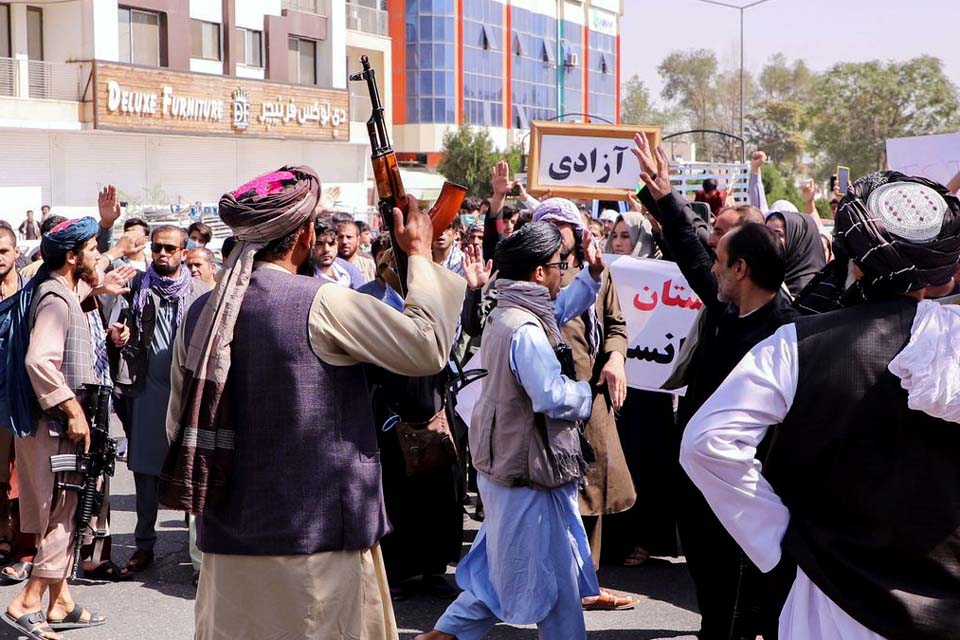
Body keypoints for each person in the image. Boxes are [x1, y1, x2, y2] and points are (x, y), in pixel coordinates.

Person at [161, 166, 464, 640]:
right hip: (318, 551)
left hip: (227, 546)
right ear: (304, 236)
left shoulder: (202, 311)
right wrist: (420, 254)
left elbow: (178, 425)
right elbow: (425, 347)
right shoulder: (324, 301)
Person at [681, 172, 960, 640]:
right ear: (940, 271)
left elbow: (706, 443)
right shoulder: (951, 341)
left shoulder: (797, 345)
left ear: (856, 264)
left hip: (831, 603)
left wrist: (779, 540)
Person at [633, 133, 799, 639]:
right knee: (712, 601)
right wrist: (665, 197)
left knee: (741, 611)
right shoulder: (728, 307)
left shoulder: (789, 334)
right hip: (697, 489)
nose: (712, 269)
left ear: (741, 270)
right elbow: (689, 255)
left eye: (721, 261)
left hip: (746, 495)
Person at [415, 222, 601, 640]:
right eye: (560, 266)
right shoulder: (526, 329)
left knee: (505, 568)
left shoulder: (509, 310)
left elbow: (562, 306)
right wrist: (586, 393)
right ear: (539, 273)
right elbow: (550, 395)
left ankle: (445, 633)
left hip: (511, 463)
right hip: (525, 468)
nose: (563, 273)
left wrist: (591, 276)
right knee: (552, 577)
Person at [5, 218, 131, 639]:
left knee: (67, 511)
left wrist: (98, 287)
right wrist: (73, 410)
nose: (98, 255)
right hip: (58, 428)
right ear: (73, 256)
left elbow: (79, 293)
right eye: (93, 249)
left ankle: (59, 602)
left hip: (54, 427)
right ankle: (26, 602)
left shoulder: (57, 290)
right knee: (65, 513)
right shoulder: (56, 300)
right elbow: (39, 360)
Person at [532, 198, 636, 611]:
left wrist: (615, 358)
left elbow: (617, 326)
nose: (559, 230)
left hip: (590, 396)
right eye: (550, 223)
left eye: (564, 223)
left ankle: (585, 582)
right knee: (546, 489)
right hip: (547, 398)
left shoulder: (599, 272)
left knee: (590, 487)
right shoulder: (535, 274)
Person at [113, 225, 207, 575]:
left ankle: (197, 552)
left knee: (192, 470)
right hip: (147, 390)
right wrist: (120, 335)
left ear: (184, 253)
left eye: (169, 248)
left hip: (189, 392)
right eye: (156, 248)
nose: (162, 254)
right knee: (145, 471)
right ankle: (144, 545)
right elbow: (116, 320)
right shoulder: (137, 286)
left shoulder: (201, 293)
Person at [766, 210, 827, 296]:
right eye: (767, 233)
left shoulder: (809, 289)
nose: (769, 240)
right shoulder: (772, 277)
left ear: (797, 240)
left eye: (778, 234)